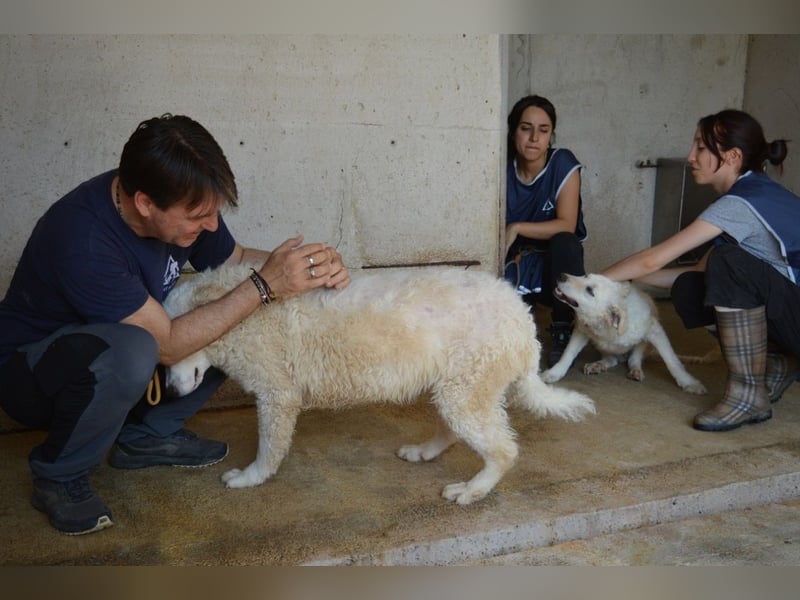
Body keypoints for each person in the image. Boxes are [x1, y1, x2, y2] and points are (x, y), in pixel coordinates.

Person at [0, 114, 351, 535]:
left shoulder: (183, 199)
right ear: (145, 204)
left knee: (236, 304)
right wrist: (265, 285)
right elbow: (166, 345)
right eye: (199, 216)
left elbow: (236, 261)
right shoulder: (84, 239)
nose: (211, 225)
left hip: (112, 364)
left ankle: (147, 435)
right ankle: (58, 475)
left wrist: (306, 270)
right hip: (35, 378)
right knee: (141, 347)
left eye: (214, 212)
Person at [601, 108, 800, 432]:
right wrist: (621, 279)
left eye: (702, 148)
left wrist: (595, 280)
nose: (691, 156)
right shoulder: (755, 193)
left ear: (733, 156)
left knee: (727, 262)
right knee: (693, 285)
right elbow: (696, 273)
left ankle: (748, 394)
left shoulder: (738, 205)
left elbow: (653, 259)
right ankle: (778, 362)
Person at [504, 95, 588, 368]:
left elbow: (567, 224)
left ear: (551, 135)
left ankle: (562, 327)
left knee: (567, 243)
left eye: (543, 130)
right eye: (525, 128)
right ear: (513, 132)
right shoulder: (500, 165)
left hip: (552, 265)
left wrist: (517, 227)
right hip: (515, 260)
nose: (534, 138)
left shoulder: (562, 163)